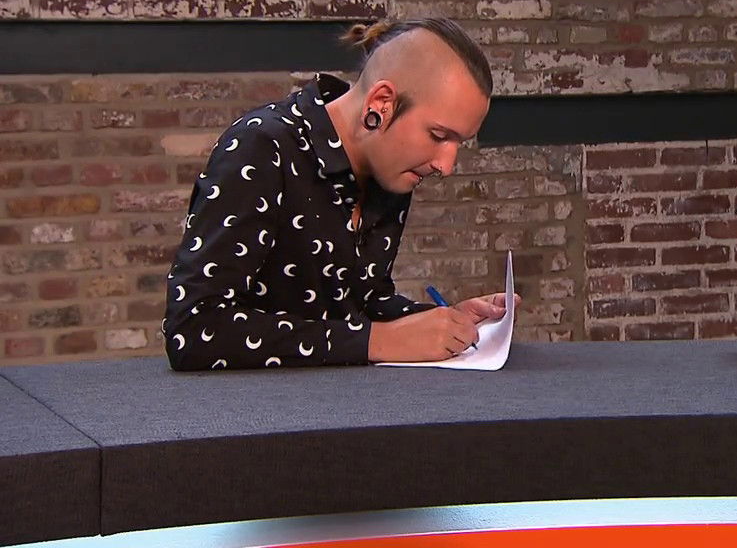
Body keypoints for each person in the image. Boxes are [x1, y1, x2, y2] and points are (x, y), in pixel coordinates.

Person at [163, 18, 519, 370]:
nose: (446, 165)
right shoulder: (262, 147)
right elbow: (193, 329)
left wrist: (442, 322)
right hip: (249, 406)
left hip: (341, 402)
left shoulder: (388, 171)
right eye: (439, 136)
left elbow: (358, 308)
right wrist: (381, 341)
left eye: (458, 143)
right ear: (381, 103)